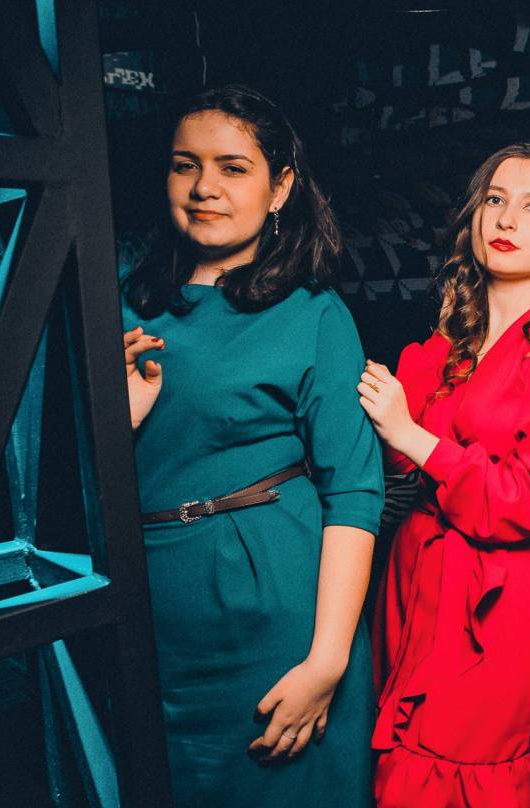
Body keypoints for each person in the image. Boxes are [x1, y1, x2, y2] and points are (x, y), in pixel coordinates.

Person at [120, 84, 382, 807]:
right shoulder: (121, 301)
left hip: (277, 625)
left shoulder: (313, 312)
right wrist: (116, 421)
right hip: (146, 618)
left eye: (233, 168)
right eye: (185, 165)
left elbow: (354, 490)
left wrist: (327, 662)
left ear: (281, 187)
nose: (204, 187)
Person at [358, 143, 530, 807]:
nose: (506, 219)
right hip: (417, 583)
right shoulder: (457, 339)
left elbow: (528, 499)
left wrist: (413, 436)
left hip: (497, 607)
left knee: (457, 778)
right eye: (495, 200)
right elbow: (390, 457)